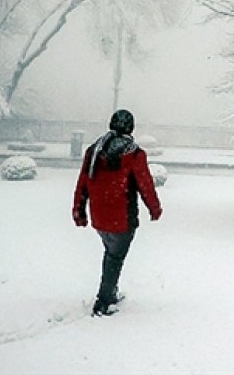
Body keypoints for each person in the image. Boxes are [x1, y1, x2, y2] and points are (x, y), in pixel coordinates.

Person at [73, 109, 162, 317]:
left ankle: (110, 292)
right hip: (123, 218)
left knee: (111, 253)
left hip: (99, 216)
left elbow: (83, 182)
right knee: (115, 257)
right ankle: (103, 301)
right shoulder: (134, 154)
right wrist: (155, 208)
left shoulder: (95, 151)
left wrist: (79, 210)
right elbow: (145, 185)